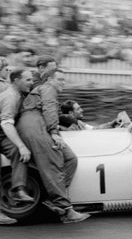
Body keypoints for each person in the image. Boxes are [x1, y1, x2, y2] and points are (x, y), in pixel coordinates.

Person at [17, 69, 89, 224]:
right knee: (53, 163)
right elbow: (49, 109)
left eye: (64, 80)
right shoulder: (48, 88)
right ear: (49, 79)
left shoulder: (45, 89)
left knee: (70, 159)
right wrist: (54, 132)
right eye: (60, 79)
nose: (63, 82)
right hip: (34, 126)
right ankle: (65, 209)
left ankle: (52, 199)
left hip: (39, 125)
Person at [0, 69, 34, 225]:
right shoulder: (10, 97)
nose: (31, 82)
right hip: (3, 131)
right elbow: (6, 124)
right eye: (27, 80)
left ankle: (18, 189)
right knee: (20, 149)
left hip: (2, 136)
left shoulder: (19, 94)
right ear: (16, 81)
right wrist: (21, 145)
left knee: (18, 153)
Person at [59, 100, 130, 130]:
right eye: (78, 109)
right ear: (70, 113)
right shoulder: (72, 125)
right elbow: (94, 130)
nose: (82, 110)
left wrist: (112, 123)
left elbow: (94, 129)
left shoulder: (77, 123)